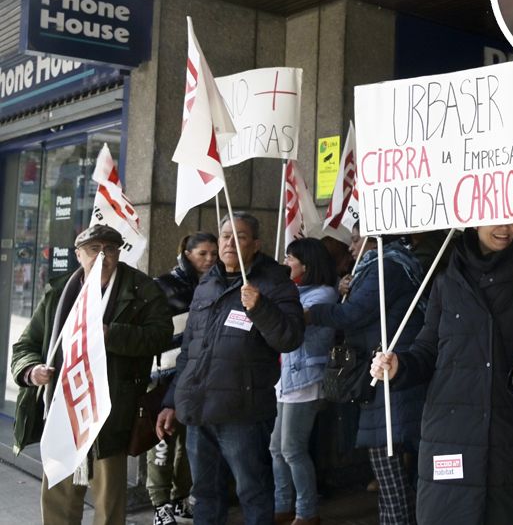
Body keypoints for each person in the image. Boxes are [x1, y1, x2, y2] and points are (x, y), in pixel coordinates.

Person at [369, 225, 513, 524]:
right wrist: (398, 367)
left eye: (512, 218)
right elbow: (427, 348)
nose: (505, 228)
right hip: (449, 433)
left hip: (510, 430)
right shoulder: (446, 271)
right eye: (496, 217)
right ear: (474, 216)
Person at [11, 224, 172, 525]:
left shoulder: (141, 289)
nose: (103, 256)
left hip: (110, 415)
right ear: (78, 255)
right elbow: (26, 345)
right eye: (94, 249)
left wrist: (111, 334)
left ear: (119, 253)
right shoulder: (59, 292)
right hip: (62, 413)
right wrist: (31, 371)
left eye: (110, 249)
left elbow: (161, 336)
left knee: (108, 507)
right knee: (58, 502)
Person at [157, 212, 304, 525]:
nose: (229, 242)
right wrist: (171, 401)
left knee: (253, 490)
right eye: (225, 235)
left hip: (243, 413)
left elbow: (290, 338)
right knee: (205, 492)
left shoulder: (275, 283)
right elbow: (189, 351)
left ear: (256, 244)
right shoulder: (206, 284)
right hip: (199, 409)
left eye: (240, 236)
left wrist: (260, 307)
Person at [307, 233, 427, 525]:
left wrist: (314, 312)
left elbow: (354, 313)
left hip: (388, 379)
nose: (351, 246)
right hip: (384, 376)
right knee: (395, 477)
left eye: (357, 239)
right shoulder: (384, 266)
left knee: (390, 476)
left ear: (377, 240)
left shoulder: (387, 268)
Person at [149, 231, 218, 525]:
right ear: (187, 254)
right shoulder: (163, 285)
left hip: (199, 376)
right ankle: (160, 504)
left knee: (189, 446)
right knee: (161, 442)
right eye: (202, 253)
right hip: (165, 374)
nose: (209, 259)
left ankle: (180, 499)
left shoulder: (216, 285)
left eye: (213, 253)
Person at [271, 237, 338, 524]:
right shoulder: (295, 290)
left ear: (306, 264)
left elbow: (293, 319)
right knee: (276, 447)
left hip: (305, 379)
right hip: (284, 378)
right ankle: (282, 505)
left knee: (293, 448)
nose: (286, 263)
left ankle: (306, 511)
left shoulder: (322, 294)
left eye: (290, 259)